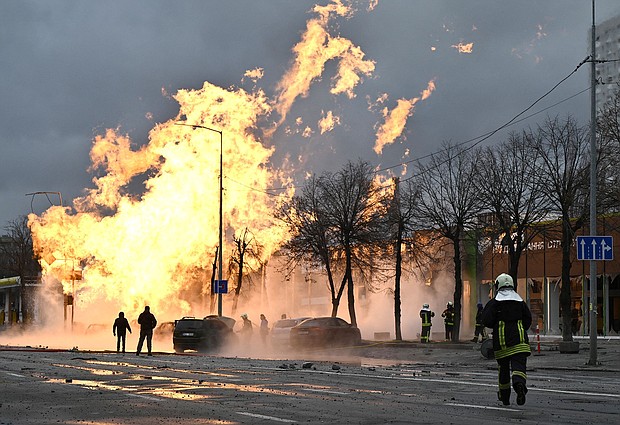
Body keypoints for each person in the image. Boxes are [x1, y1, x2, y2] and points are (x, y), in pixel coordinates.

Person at [481, 273, 532, 406]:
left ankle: (505, 397)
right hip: (520, 341)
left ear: (498, 285)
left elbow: (486, 320)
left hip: (502, 343)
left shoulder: (494, 303)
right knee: (519, 366)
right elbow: (528, 320)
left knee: (503, 369)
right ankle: (519, 384)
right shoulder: (520, 302)